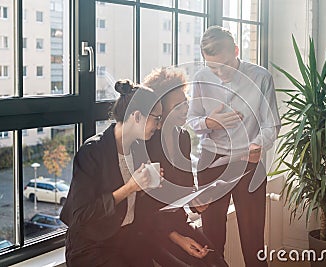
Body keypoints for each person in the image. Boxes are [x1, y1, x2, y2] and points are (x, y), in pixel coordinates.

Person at [187, 26, 281, 266]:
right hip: (211, 162)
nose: (220, 73)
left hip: (248, 163)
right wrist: (209, 122)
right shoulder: (200, 78)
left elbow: (272, 125)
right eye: (213, 67)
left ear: (236, 51)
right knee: (212, 240)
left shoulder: (261, 77)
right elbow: (192, 120)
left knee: (253, 240)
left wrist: (258, 145)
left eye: (225, 65)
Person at [60, 80, 163, 266]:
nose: (159, 125)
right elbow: (80, 216)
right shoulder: (92, 152)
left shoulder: (139, 149)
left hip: (126, 239)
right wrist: (130, 187)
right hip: (92, 246)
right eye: (157, 119)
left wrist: (147, 184)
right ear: (137, 116)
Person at [133, 67, 228, 267]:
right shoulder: (145, 143)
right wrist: (176, 237)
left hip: (177, 222)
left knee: (217, 262)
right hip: (151, 230)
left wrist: (196, 201)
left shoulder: (183, 137)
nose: (185, 108)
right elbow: (143, 207)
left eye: (185, 100)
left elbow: (185, 186)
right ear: (160, 110)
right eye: (178, 105)